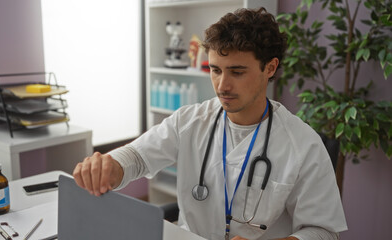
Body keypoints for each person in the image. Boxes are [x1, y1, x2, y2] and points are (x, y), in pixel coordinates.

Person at [73, 7, 347, 240]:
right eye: (215, 70)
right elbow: (137, 157)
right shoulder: (189, 121)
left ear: (270, 68)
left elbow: (323, 232)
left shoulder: (304, 145)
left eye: (237, 72)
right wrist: (111, 165)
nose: (222, 85)